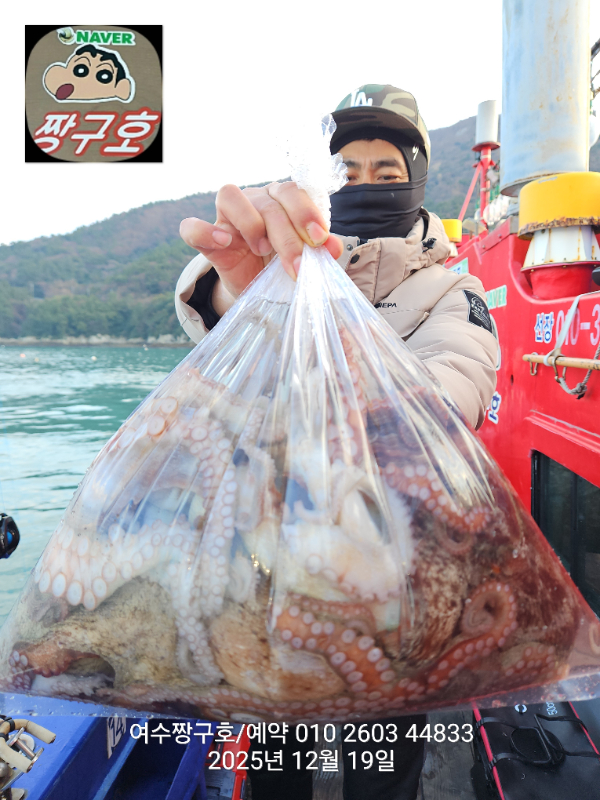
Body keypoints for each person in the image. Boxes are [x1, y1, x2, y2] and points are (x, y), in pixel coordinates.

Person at [175, 84, 498, 800]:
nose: (366, 183)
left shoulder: (455, 293)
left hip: (400, 583)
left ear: (416, 179)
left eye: (387, 171)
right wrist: (244, 286)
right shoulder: (287, 271)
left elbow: (450, 399)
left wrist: (334, 340)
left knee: (384, 767)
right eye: (346, 169)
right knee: (278, 763)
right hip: (275, 572)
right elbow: (221, 323)